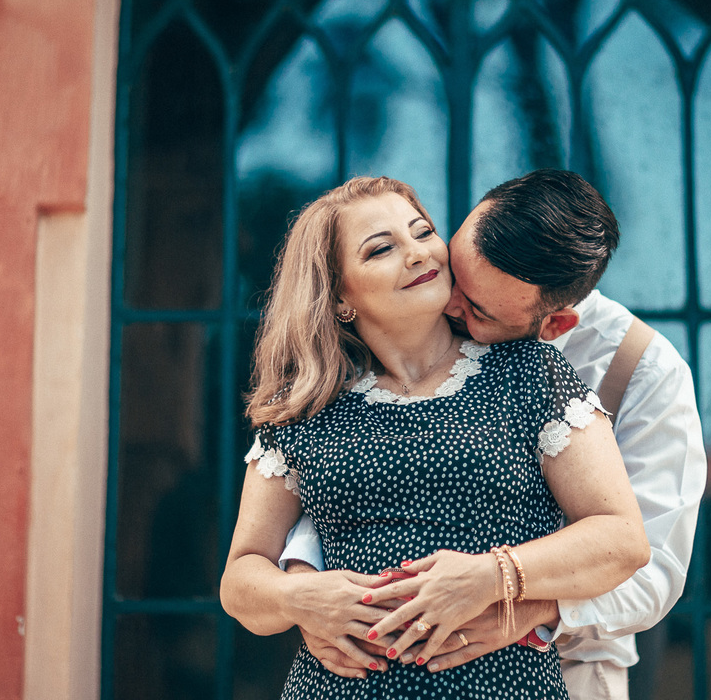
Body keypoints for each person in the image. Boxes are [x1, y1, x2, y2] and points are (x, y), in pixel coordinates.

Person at [220, 176, 651, 699]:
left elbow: (622, 540)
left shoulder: (532, 373)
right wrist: (297, 597)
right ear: (338, 297)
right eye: (381, 248)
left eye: (422, 232)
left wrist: (494, 576)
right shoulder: (304, 408)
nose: (417, 252)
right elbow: (241, 579)